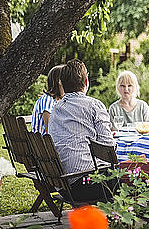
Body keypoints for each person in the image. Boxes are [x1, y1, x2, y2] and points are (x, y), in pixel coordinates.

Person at [48, 59, 116, 202]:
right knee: (135, 177)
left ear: (62, 84)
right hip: (87, 184)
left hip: (65, 186)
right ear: (86, 81)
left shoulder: (56, 108)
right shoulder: (94, 105)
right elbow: (108, 151)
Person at [30, 65, 64, 134]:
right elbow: (50, 130)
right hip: (43, 143)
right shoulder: (47, 100)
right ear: (59, 81)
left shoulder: (60, 100)